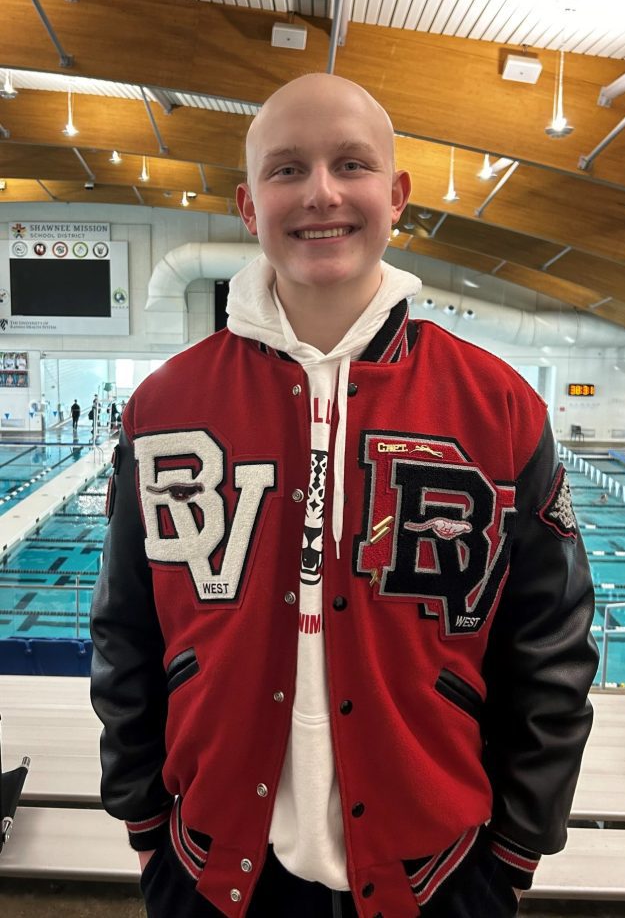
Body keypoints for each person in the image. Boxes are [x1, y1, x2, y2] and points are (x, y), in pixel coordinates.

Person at [90, 73, 598, 918]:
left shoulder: (501, 408)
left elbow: (550, 650)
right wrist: (146, 822)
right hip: (212, 873)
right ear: (249, 207)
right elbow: (125, 633)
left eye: (350, 164)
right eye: (286, 170)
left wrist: (512, 854)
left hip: (441, 877)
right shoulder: (164, 407)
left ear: (395, 195)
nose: (321, 192)